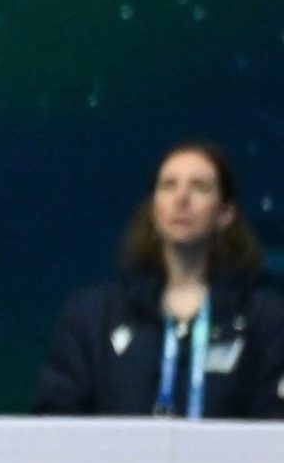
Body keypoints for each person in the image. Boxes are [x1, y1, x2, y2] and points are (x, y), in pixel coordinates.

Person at [37, 141, 284, 418]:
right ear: (154, 209)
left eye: (199, 187)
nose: (181, 198)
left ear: (225, 214)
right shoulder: (94, 316)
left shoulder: (266, 320)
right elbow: (57, 419)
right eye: (168, 185)